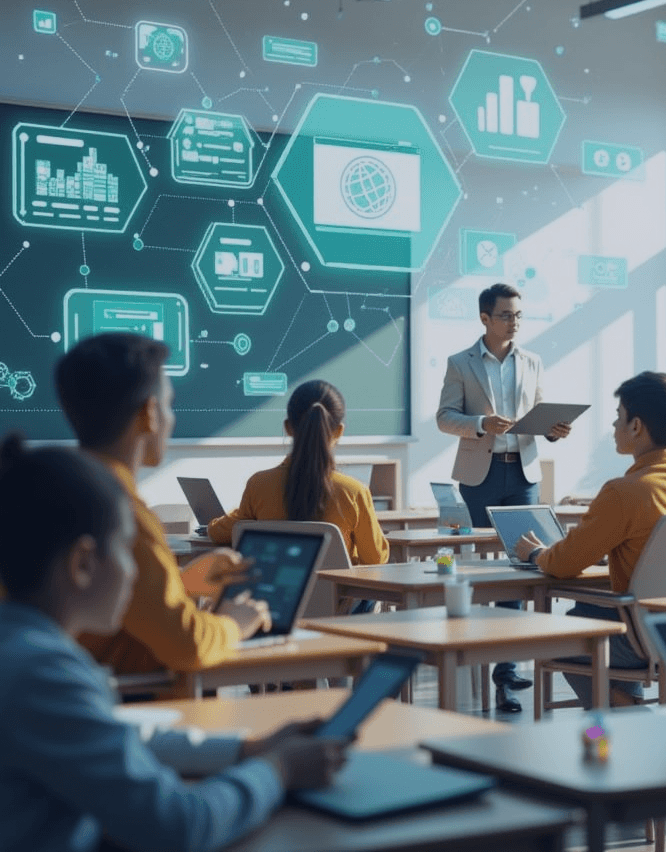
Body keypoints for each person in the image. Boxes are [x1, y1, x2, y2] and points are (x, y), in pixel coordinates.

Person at [0, 433, 346, 852]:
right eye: (127, 552)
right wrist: (279, 770)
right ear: (83, 564)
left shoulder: (25, 646)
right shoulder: (43, 673)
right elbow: (181, 825)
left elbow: (122, 736)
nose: (135, 573)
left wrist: (250, 748)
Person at [55, 332, 273, 678]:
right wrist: (234, 623)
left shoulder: (54, 489)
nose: (172, 419)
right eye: (169, 404)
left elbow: (117, 612)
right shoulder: (122, 512)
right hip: (127, 704)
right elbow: (188, 646)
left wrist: (183, 582)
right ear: (150, 412)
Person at [516, 371, 666, 709]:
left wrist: (536, 552)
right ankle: (628, 709)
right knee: (588, 609)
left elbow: (562, 564)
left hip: (641, 639)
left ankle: (627, 712)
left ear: (636, 426)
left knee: (564, 630)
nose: (613, 426)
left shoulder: (624, 492)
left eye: (618, 417)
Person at [436, 282, 571, 712]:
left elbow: (540, 413)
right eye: (506, 315)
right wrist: (481, 423)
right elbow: (444, 417)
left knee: (522, 562)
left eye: (518, 315)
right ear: (484, 319)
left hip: (525, 473)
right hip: (481, 473)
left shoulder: (532, 361)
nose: (514, 322)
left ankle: (507, 669)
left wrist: (554, 429)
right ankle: (479, 651)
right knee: (482, 567)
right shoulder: (461, 363)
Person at [207, 380, 390, 600]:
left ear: (288, 427)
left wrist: (214, 524)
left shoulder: (259, 484)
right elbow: (376, 559)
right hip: (337, 609)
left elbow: (218, 533)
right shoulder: (353, 492)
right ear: (339, 431)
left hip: (274, 606)